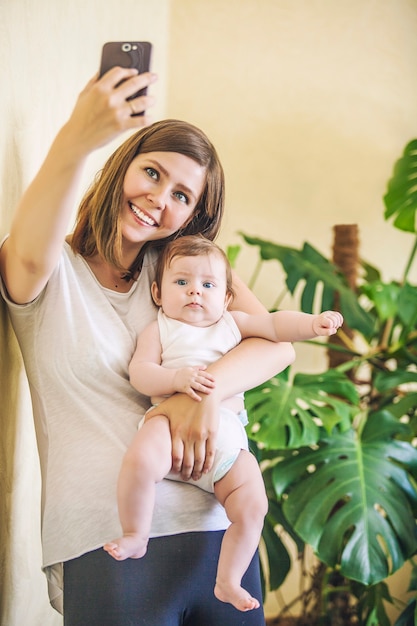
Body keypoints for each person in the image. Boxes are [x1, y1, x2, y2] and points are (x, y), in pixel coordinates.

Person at [0, 65, 297, 625]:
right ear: (122, 166)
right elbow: (28, 253)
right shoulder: (49, 272)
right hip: (110, 541)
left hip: (218, 533)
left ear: (193, 216)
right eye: (152, 173)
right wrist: (79, 135)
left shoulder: (182, 272)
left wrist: (200, 396)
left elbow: (275, 347)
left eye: (182, 195)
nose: (159, 199)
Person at [104, 234, 343, 612]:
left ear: (226, 298)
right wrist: (175, 380)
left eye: (208, 285)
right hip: (166, 426)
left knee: (252, 505)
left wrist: (313, 324)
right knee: (138, 461)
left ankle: (228, 579)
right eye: (181, 282)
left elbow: (277, 327)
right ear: (158, 292)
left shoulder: (233, 324)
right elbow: (141, 374)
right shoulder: (160, 329)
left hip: (227, 441)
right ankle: (136, 532)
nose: (195, 292)